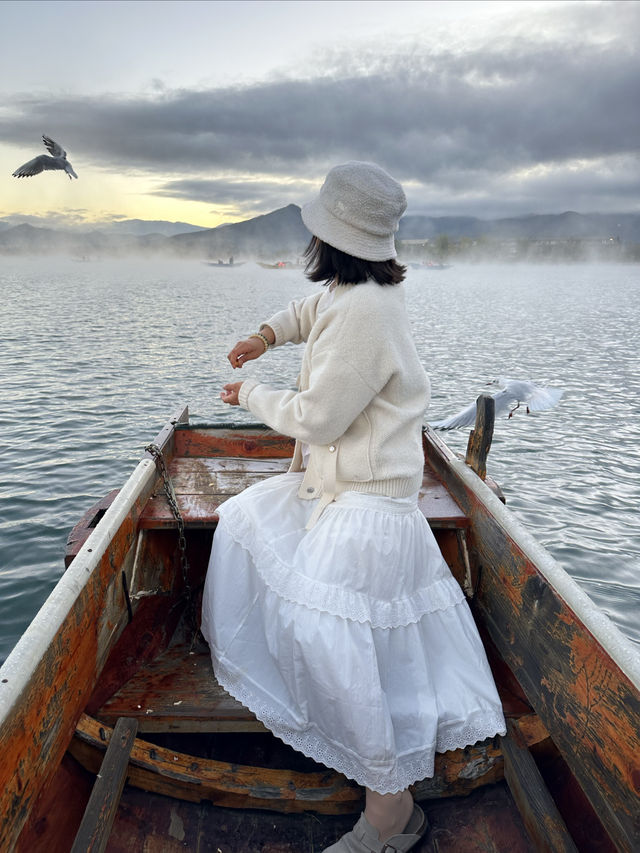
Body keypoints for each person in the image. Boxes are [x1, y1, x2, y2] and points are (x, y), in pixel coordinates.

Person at [201, 161, 506, 853]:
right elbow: (315, 310)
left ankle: (391, 813)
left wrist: (246, 393)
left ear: (330, 239)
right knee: (247, 520)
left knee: (321, 628)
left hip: (370, 505)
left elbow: (320, 418)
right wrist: (266, 334)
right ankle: (353, 753)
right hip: (340, 488)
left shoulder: (368, 311)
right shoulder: (354, 289)